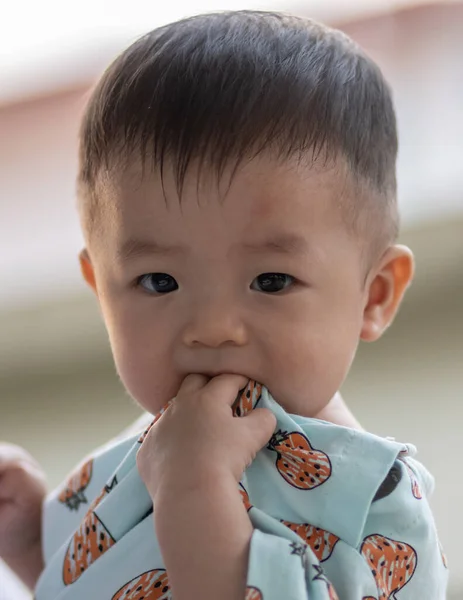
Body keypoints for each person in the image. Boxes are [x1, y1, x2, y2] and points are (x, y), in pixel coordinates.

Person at [0, 10, 448, 599]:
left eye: (271, 281)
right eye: (159, 282)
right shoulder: (148, 444)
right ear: (102, 289)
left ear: (375, 294)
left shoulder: (373, 506)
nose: (212, 330)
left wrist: (196, 497)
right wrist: (33, 543)